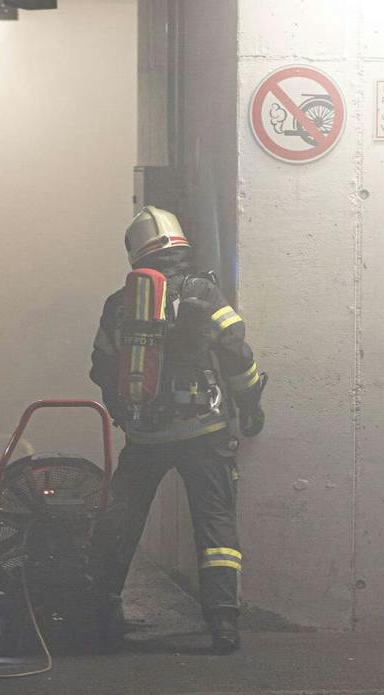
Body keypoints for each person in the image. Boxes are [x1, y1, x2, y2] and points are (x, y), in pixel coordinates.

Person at [89, 206, 267, 654]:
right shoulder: (204, 293)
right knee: (215, 527)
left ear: (136, 252)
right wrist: (250, 405)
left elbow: (101, 368)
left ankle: (99, 612)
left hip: (145, 436)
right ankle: (223, 621)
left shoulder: (118, 304)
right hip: (204, 432)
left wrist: (124, 413)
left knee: (121, 521)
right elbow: (237, 356)